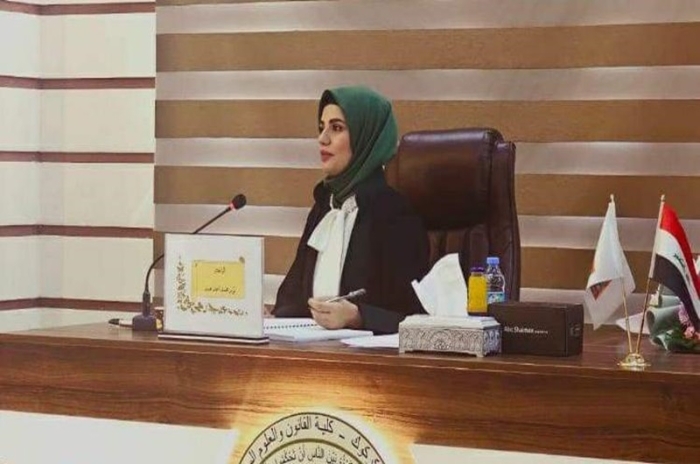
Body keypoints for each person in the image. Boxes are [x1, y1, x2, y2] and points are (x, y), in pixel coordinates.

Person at [272, 86, 429, 333]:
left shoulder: (394, 214)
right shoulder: (324, 207)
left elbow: (415, 316)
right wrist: (267, 317)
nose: (322, 139)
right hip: (312, 351)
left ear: (366, 138)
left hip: (367, 355)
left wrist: (358, 317)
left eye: (336, 128)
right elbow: (293, 297)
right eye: (321, 127)